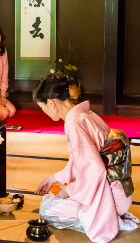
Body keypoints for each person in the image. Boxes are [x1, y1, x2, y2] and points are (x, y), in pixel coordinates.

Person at [33, 74, 138, 242]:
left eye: (42, 107)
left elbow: (94, 171)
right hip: (119, 190)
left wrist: (69, 190)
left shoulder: (75, 123)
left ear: (51, 103)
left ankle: (110, 222)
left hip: (110, 195)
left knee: (46, 209)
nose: (43, 112)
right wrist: (53, 179)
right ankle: (109, 217)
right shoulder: (85, 114)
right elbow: (81, 163)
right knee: (52, 198)